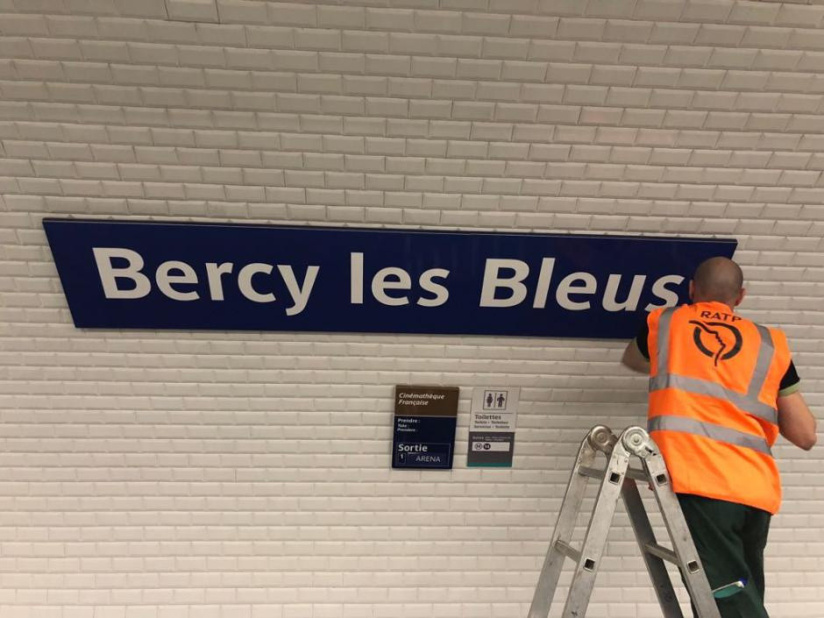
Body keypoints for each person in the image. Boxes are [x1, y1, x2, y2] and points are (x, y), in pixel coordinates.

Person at [621, 256, 817, 618]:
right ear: (740, 297)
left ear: (692, 289)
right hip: (755, 493)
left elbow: (633, 360)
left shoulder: (667, 324)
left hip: (703, 484)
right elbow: (805, 434)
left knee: (729, 603)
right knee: (737, 592)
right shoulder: (769, 345)